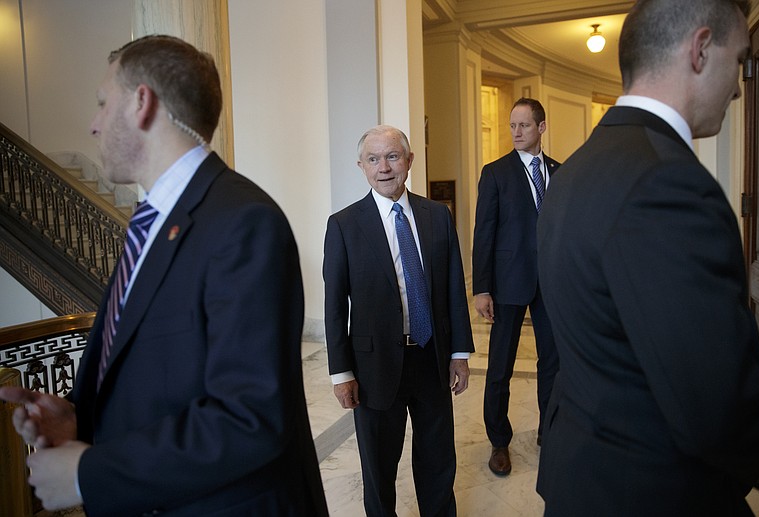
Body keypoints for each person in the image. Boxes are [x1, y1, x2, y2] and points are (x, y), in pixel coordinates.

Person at [0, 35, 328, 516]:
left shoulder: (242, 222)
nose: (92, 125)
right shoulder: (148, 223)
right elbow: (161, 377)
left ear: (140, 103)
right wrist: (78, 420)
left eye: (101, 103)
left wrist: (89, 474)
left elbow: (250, 418)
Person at [535, 1, 759, 515]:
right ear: (699, 49)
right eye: (740, 61)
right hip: (650, 488)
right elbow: (714, 400)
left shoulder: (574, 170)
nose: (741, 86)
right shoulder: (666, 182)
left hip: (584, 472)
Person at [323, 125, 474, 516]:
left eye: (392, 156)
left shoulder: (438, 216)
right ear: (361, 166)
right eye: (373, 159)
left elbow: (453, 287)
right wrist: (342, 374)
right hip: (373, 368)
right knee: (378, 470)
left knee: (438, 462)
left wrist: (459, 352)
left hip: (431, 358)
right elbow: (335, 306)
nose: (384, 167)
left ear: (409, 161)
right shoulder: (343, 225)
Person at [472, 97, 560, 475]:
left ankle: (550, 433)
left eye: (524, 125)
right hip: (508, 284)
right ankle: (498, 441)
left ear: (542, 127)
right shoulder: (495, 173)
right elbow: (484, 234)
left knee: (553, 364)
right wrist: (481, 288)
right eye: (512, 125)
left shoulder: (561, 170)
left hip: (553, 285)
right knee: (500, 367)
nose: (516, 132)